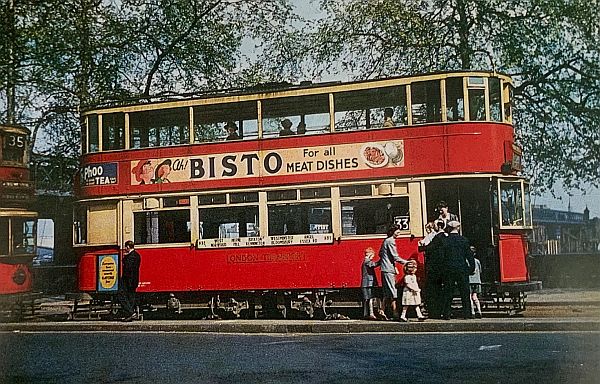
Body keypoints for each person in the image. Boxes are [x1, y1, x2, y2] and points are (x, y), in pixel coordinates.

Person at [440, 221, 475, 320]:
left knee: (448, 292)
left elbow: (441, 256)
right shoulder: (464, 240)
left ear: (449, 228)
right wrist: (471, 268)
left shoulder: (445, 241)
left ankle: (446, 314)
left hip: (449, 268)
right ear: (458, 228)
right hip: (462, 268)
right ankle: (467, 313)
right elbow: (469, 256)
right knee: (464, 292)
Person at [378, 224, 408, 319]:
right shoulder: (391, 241)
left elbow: (380, 253)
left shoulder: (386, 241)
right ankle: (395, 312)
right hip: (389, 269)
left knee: (387, 292)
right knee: (392, 291)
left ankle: (382, 310)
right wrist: (406, 262)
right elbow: (395, 256)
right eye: (398, 230)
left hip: (385, 268)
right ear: (393, 231)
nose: (399, 232)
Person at [422, 219, 447, 319]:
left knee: (434, 290)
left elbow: (429, 248)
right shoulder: (445, 236)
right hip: (442, 267)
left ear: (439, 226)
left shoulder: (437, 237)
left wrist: (422, 247)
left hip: (435, 268)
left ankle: (435, 312)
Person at [118, 240, 141, 322]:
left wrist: (125, 258)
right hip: (134, 280)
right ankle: (130, 315)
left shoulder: (131, 256)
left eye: (125, 247)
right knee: (131, 298)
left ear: (128, 247)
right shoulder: (137, 255)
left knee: (121, 295)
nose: (125, 249)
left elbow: (128, 268)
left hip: (128, 280)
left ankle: (130, 313)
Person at [361, 247, 380, 320]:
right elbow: (373, 264)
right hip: (368, 283)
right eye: (372, 256)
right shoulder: (367, 261)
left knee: (366, 299)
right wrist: (381, 261)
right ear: (369, 254)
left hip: (365, 283)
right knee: (370, 298)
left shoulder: (364, 261)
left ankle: (365, 313)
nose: (372, 257)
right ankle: (371, 313)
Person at [469, 246, 483, 318]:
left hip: (469, 281)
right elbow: (480, 271)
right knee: (475, 297)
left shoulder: (467, 261)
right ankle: (479, 311)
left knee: (470, 298)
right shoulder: (477, 261)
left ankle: (472, 312)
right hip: (477, 281)